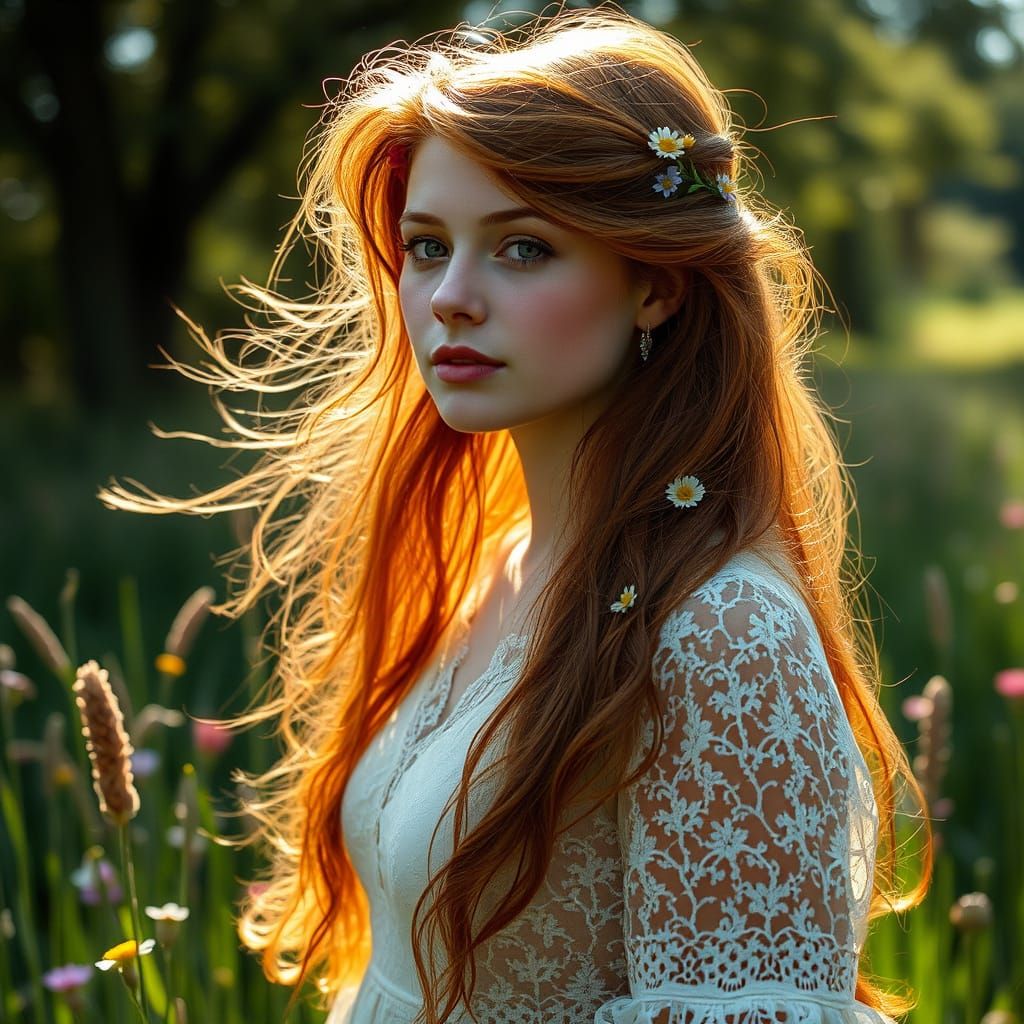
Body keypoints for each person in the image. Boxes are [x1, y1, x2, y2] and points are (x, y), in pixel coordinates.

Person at [101, 4, 934, 1022]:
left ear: (656, 286)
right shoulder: (490, 567)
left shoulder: (721, 634)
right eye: (423, 245)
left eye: (523, 248)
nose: (449, 296)